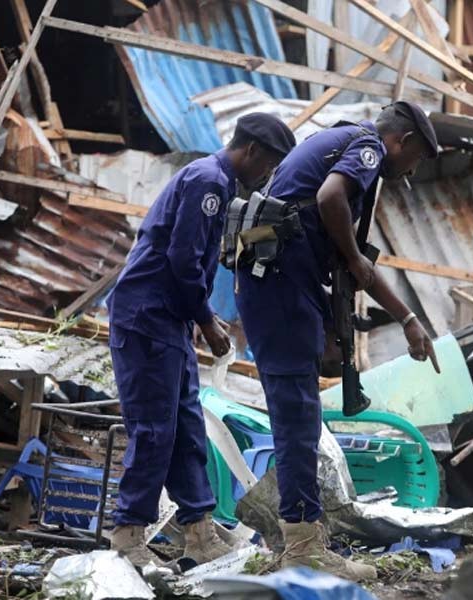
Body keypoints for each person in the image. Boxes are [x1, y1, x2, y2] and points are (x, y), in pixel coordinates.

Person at [235, 102, 442, 581]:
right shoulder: (367, 148)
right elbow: (331, 200)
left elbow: (361, 268)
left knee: (299, 417)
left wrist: (408, 318)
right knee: (298, 420)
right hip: (282, 289)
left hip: (280, 287)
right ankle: (303, 547)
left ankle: (302, 540)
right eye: (414, 161)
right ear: (404, 141)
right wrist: (350, 258)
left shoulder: (339, 142)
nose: (408, 171)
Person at [106, 113, 295, 568]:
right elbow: (183, 261)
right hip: (146, 316)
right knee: (154, 430)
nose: (268, 174)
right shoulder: (208, 182)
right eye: (268, 164)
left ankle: (199, 531)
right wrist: (207, 320)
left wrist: (267, 235)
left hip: (167, 320)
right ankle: (127, 536)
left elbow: (217, 252)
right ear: (251, 151)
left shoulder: (221, 186)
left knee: (187, 426)